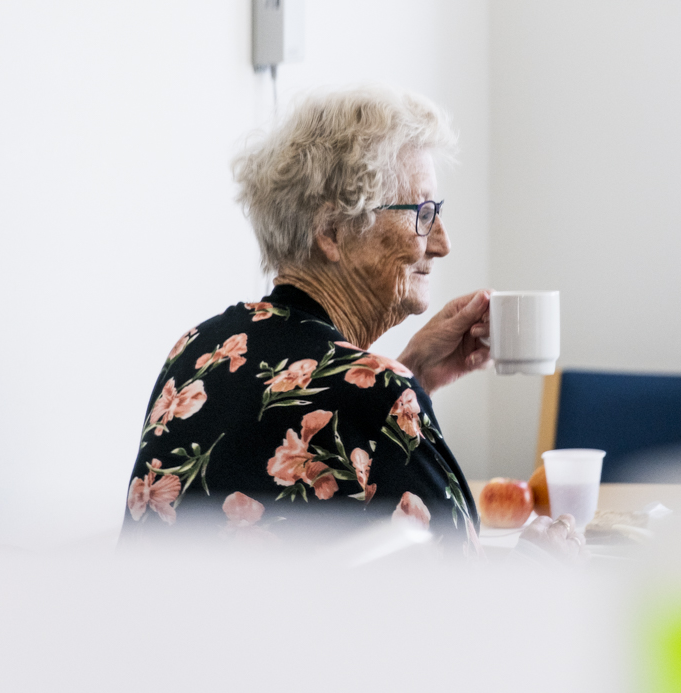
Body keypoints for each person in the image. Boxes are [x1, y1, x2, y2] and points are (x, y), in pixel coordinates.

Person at [120, 86, 493, 554]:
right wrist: (547, 555)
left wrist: (410, 373)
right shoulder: (380, 398)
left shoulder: (195, 353)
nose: (441, 243)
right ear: (332, 232)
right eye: (421, 213)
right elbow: (471, 597)